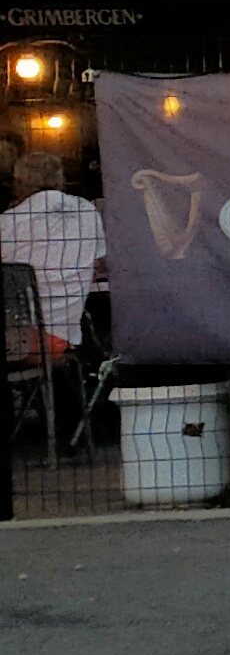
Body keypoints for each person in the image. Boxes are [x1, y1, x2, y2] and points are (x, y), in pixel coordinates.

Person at [2, 143, 105, 438]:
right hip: (64, 335)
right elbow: (99, 262)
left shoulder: (7, 223)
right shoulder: (87, 212)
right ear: (60, 178)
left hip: (18, 340)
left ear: (20, 182)